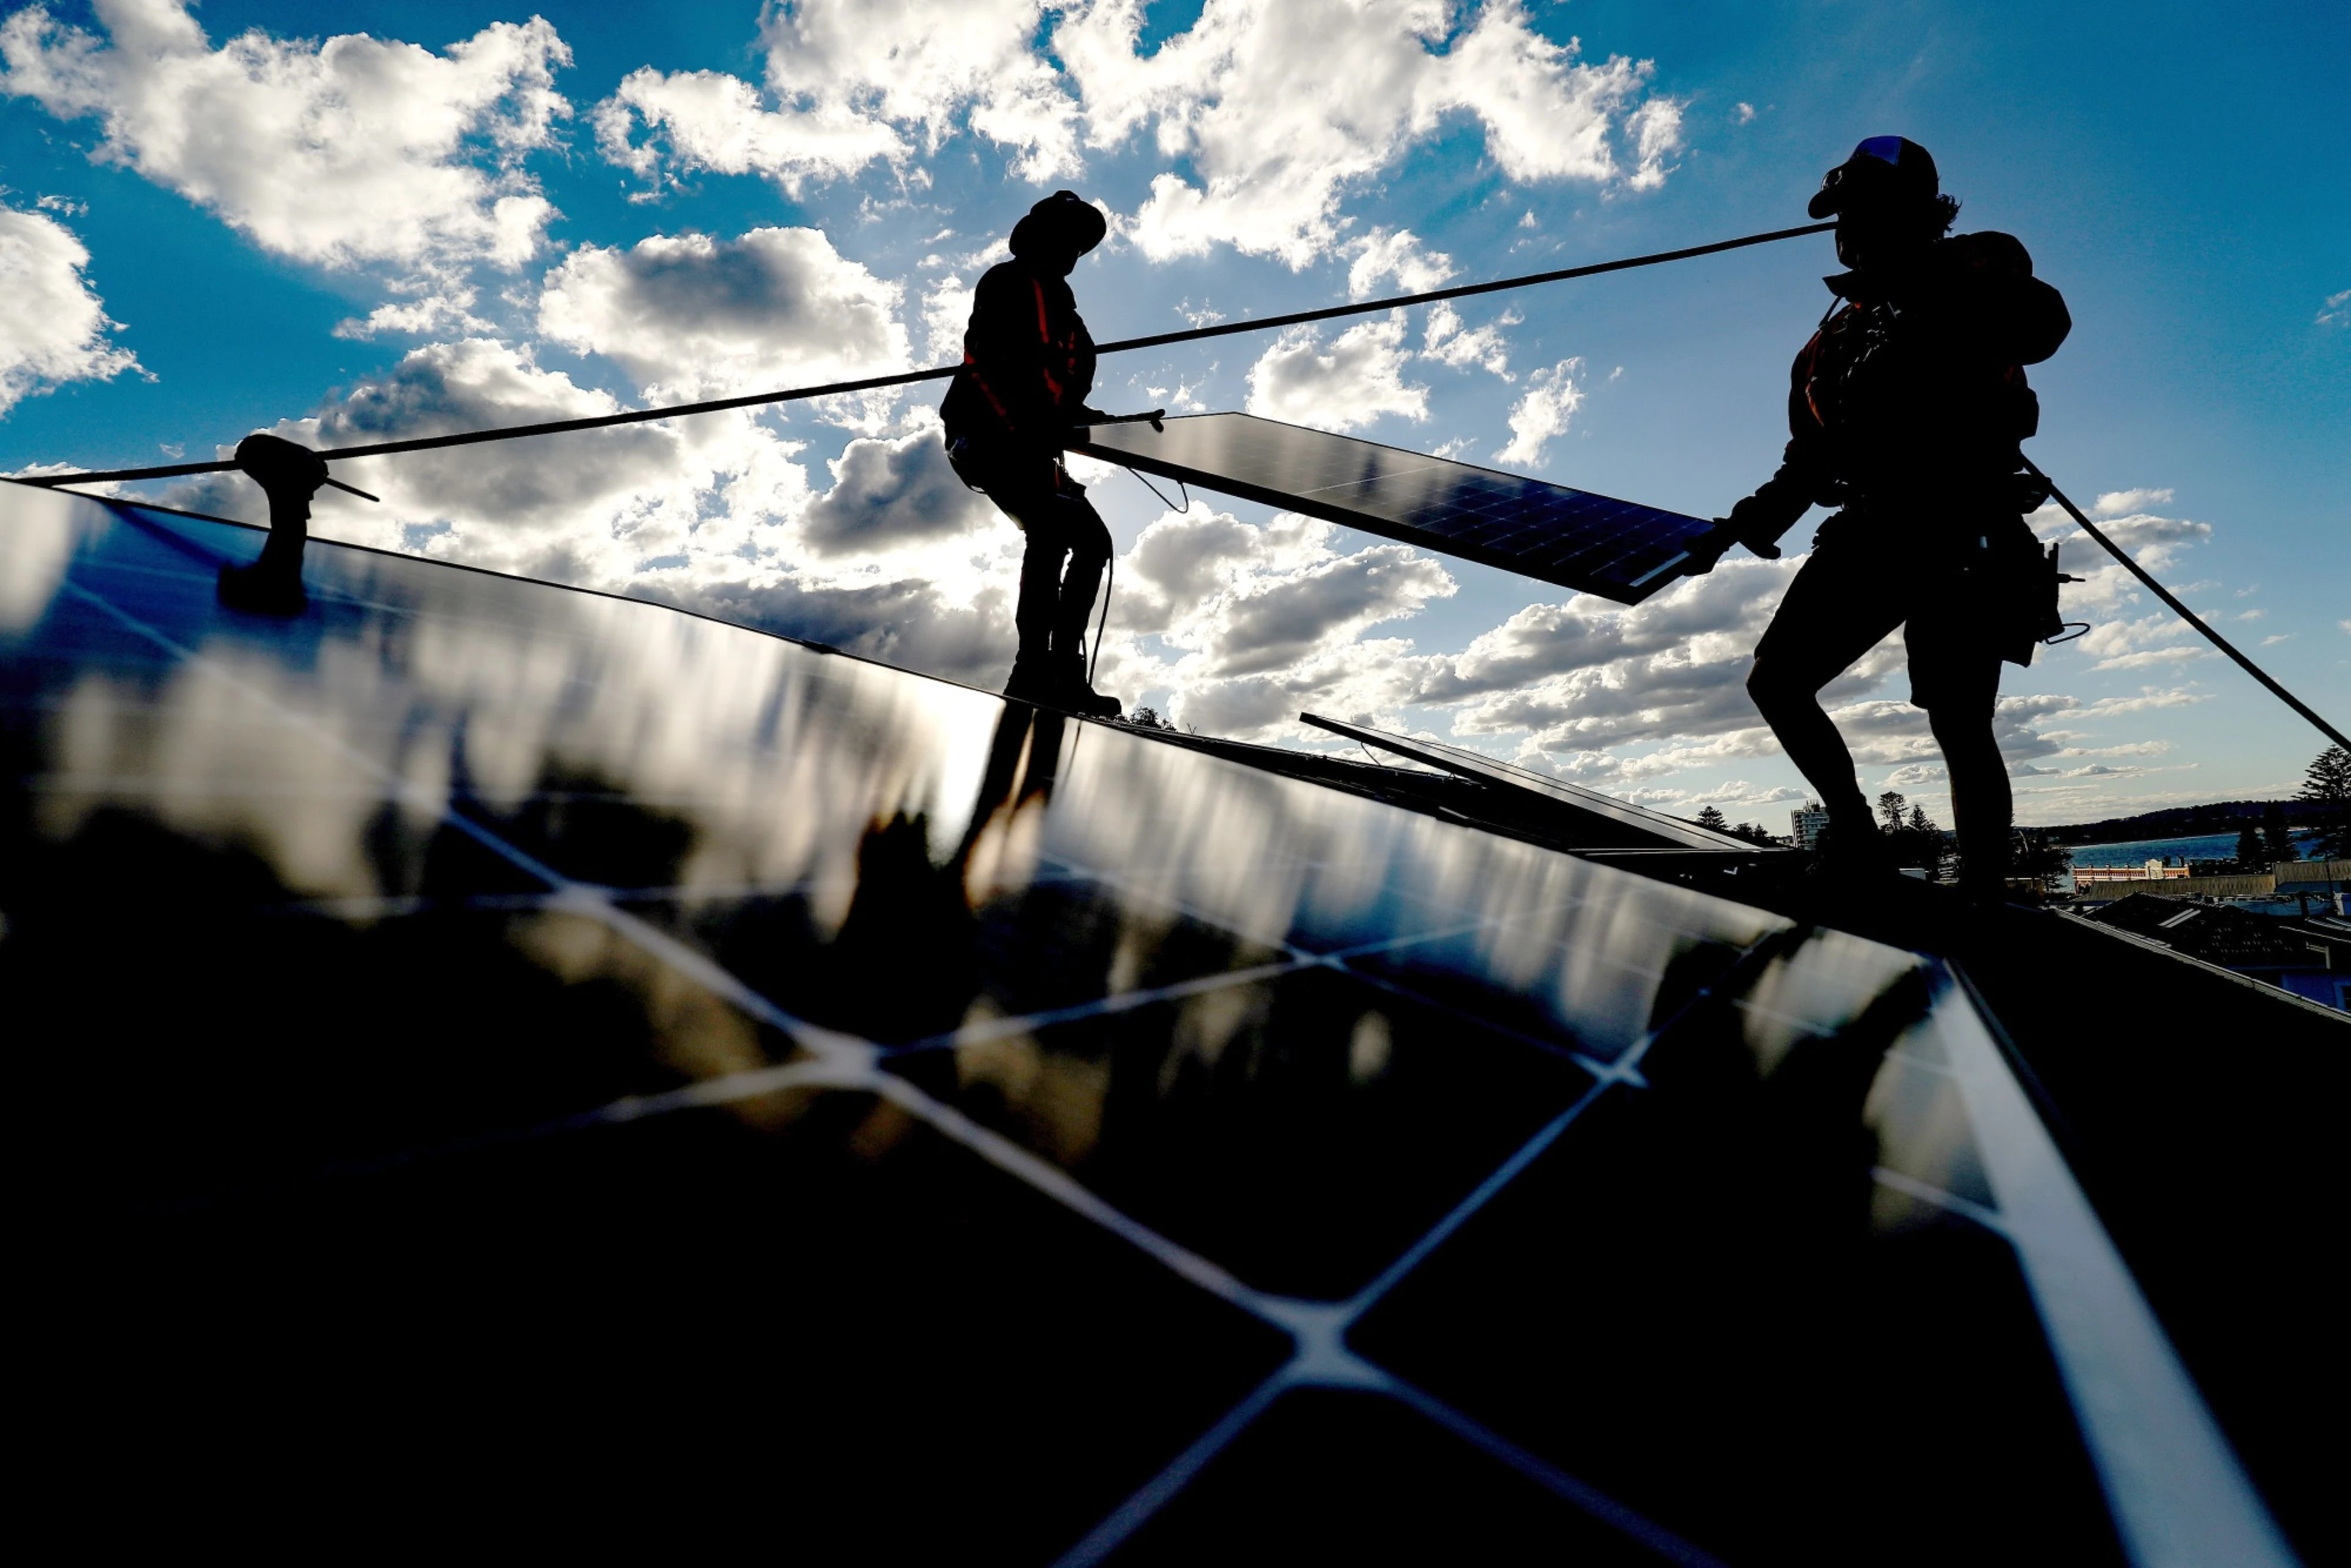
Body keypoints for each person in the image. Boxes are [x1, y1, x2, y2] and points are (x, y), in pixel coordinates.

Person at [1692, 136, 2071, 900]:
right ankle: (1855, 832)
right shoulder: (1824, 348)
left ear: (1922, 213)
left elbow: (2042, 326)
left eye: (1870, 211)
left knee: (1961, 726)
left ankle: (1983, 898)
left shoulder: (1976, 271)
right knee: (1777, 681)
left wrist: (1933, 278)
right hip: (1872, 529)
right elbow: (1807, 460)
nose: (1850, 229)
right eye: (1844, 215)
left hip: (1967, 530)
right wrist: (1745, 523)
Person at [941, 190, 1126, 718]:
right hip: (986, 438)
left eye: (1079, 243)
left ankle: (1065, 669)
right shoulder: (1006, 283)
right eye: (1066, 238)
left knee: (1092, 542)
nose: (1073, 251)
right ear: (1041, 238)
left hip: (1034, 445)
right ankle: (1031, 671)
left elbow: (1063, 389)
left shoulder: (1066, 307)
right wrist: (1025, 424)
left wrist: (1092, 420)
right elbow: (985, 364)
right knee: (1050, 530)